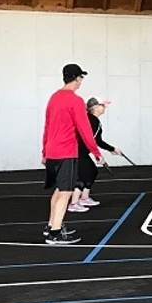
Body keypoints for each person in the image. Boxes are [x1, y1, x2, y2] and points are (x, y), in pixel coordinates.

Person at [42, 63, 104, 244]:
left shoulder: (53, 98)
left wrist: (44, 150)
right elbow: (84, 129)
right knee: (66, 192)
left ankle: (52, 226)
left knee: (59, 190)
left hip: (53, 151)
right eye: (81, 78)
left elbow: (47, 126)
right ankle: (55, 233)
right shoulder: (75, 101)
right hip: (66, 151)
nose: (81, 81)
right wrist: (96, 152)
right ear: (77, 78)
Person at [68, 98, 122, 213]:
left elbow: (96, 140)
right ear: (95, 108)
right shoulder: (92, 120)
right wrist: (108, 151)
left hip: (80, 151)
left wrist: (111, 149)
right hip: (76, 151)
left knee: (92, 171)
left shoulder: (92, 120)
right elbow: (94, 140)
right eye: (102, 105)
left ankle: (84, 198)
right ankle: (73, 203)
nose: (104, 107)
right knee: (84, 174)